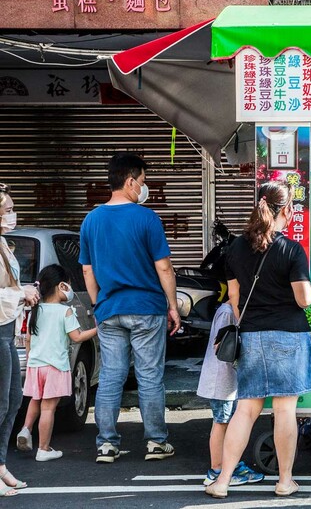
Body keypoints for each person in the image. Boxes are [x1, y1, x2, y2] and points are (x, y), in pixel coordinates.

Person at [205, 181, 311, 499]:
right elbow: (304, 300)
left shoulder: (235, 249)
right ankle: (284, 481)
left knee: (245, 411)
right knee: (284, 412)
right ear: (288, 211)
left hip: (252, 336)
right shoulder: (292, 250)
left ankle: (223, 480)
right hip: (288, 336)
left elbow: (235, 298)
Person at [79, 153, 181, 464]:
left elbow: (87, 270)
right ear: (130, 181)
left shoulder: (91, 219)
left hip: (110, 309)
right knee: (150, 376)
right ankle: (155, 442)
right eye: (143, 181)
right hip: (146, 307)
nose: (144, 187)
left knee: (111, 375)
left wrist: (99, 304)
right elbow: (164, 268)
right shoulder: (146, 218)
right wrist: (173, 306)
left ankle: (107, 445)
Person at [17, 265, 97, 462]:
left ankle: (26, 430)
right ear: (61, 285)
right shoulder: (65, 312)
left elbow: (28, 339)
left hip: (35, 365)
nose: (69, 290)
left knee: (35, 400)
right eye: (68, 286)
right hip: (55, 366)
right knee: (48, 408)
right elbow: (77, 337)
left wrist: (30, 360)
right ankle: (43, 449)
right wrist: (98, 330)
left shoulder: (36, 309)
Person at [196, 302, 265, 488]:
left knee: (228, 422)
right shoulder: (227, 312)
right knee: (222, 423)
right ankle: (216, 470)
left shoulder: (230, 310)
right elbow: (223, 348)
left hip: (227, 380)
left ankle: (231, 466)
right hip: (221, 380)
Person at [0, 183, 39, 496]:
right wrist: (19, 293)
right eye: (8, 209)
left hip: (6, 329)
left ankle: (0, 465)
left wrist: (23, 294)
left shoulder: (3, 243)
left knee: (13, 399)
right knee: (2, 401)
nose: (12, 214)